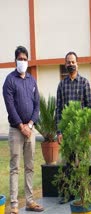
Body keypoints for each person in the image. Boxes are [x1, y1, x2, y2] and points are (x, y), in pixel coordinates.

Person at [3, 46, 44, 213]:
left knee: (30, 166)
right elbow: (10, 106)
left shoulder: (31, 80)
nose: (23, 61)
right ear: (15, 60)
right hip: (16, 130)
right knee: (15, 167)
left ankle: (29, 201)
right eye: (20, 59)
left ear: (28, 61)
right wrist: (21, 126)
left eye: (25, 59)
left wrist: (31, 125)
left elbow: (37, 105)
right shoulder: (9, 80)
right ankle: (14, 205)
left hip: (30, 129)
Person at [55, 51, 91, 203]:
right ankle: (67, 193)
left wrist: (87, 130)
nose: (71, 64)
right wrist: (58, 131)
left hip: (81, 131)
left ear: (78, 63)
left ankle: (82, 192)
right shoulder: (61, 85)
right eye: (68, 62)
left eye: (73, 62)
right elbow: (58, 109)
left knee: (82, 163)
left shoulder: (84, 83)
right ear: (65, 65)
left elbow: (89, 108)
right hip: (67, 132)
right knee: (69, 164)